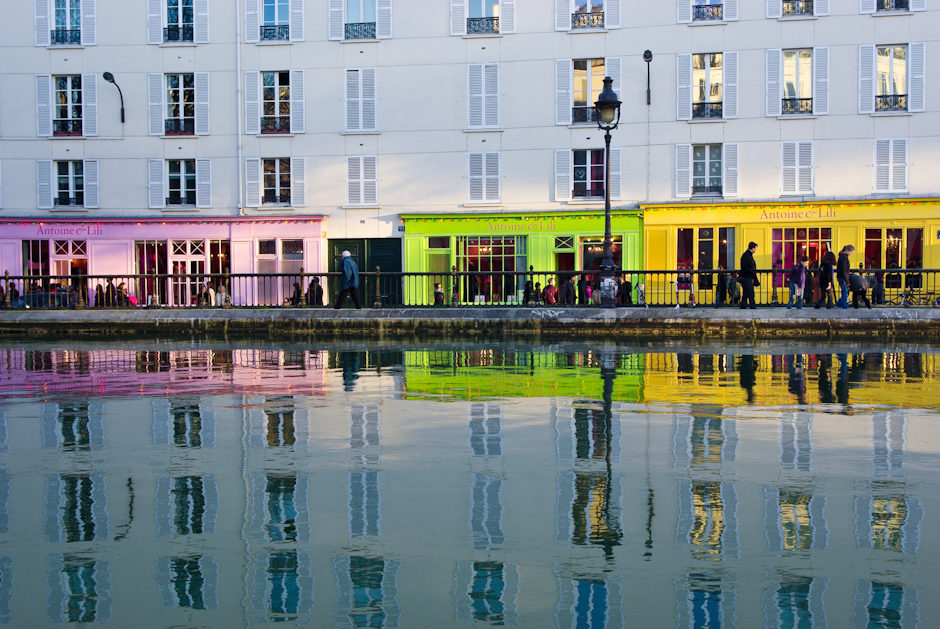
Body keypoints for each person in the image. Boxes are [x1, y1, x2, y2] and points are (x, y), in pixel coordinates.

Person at [738, 242, 758, 309]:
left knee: (746, 292)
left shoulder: (746, 255)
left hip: (746, 276)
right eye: (755, 248)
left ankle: (743, 305)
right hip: (747, 277)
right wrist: (752, 271)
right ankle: (752, 305)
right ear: (752, 248)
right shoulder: (747, 256)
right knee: (750, 292)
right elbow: (745, 266)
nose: (756, 249)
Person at [836, 245, 854, 309]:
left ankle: (838, 304)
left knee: (845, 292)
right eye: (851, 252)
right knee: (845, 292)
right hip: (843, 277)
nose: (851, 253)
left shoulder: (841, 257)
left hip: (841, 276)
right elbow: (844, 270)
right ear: (846, 250)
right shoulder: (844, 257)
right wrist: (847, 281)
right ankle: (844, 305)